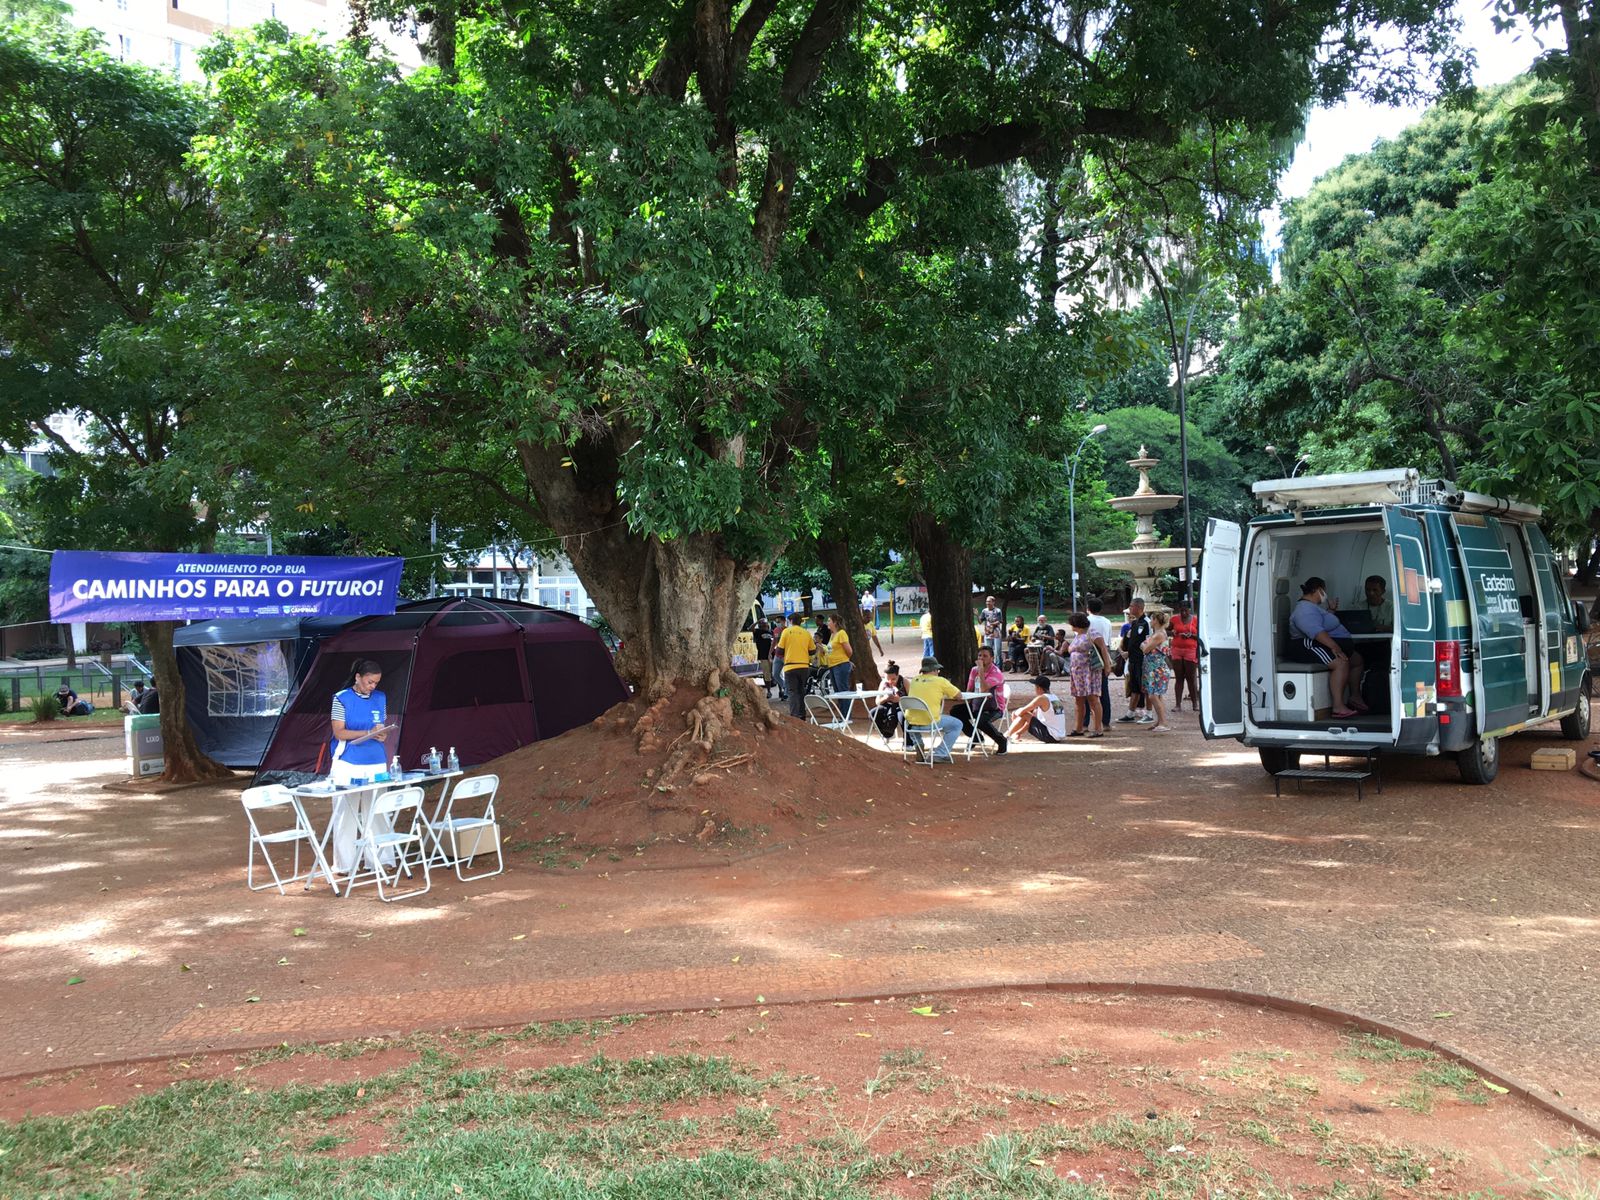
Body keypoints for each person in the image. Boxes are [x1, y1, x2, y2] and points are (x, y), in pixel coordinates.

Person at [1287, 576, 1368, 718]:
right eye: (1324, 590)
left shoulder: (1314, 608)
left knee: (1357, 660)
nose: (1325, 593)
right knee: (1341, 663)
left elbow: (1323, 624)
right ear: (1318, 590)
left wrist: (1330, 610)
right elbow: (1317, 632)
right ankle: (1338, 707)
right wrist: (1335, 647)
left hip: (1323, 642)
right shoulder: (1304, 609)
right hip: (1307, 645)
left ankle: (1355, 696)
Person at [328, 659, 391, 785]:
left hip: (377, 759)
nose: (373, 686)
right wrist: (368, 732)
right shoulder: (341, 698)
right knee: (347, 802)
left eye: (376, 683)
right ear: (358, 677)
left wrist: (383, 734)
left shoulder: (380, 697)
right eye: (370, 682)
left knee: (376, 803)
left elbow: (380, 726)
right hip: (349, 761)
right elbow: (339, 733)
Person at [905, 655, 964, 762]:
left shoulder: (914, 680)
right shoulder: (940, 681)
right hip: (929, 722)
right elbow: (959, 695)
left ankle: (918, 742)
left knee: (916, 716)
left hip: (911, 723)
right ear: (935, 669)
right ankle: (940, 753)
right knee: (957, 724)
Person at [962, 645, 1010, 754]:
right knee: (956, 711)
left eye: (985, 656)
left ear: (992, 658)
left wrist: (981, 670)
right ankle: (976, 736)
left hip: (994, 708)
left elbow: (983, 687)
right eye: (980, 656)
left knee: (981, 721)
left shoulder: (996, 673)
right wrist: (966, 700)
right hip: (977, 704)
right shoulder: (974, 670)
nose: (981, 658)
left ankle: (1001, 740)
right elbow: (970, 689)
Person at [1065, 613, 1107, 736]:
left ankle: (1098, 728)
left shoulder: (1093, 634)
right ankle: (1078, 728)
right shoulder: (1078, 635)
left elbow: (1103, 649)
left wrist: (1107, 666)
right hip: (1077, 672)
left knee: (1093, 699)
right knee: (1079, 700)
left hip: (1089, 671)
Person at [1118, 598, 1152, 724]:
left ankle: (1149, 713)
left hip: (1142, 660)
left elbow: (1150, 640)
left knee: (1145, 687)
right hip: (1132, 660)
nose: (1130, 609)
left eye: (1131, 606)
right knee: (1134, 687)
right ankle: (1130, 713)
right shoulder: (1135, 623)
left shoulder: (1147, 623)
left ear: (1139, 607)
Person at [776, 614, 815, 719]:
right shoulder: (806, 633)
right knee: (801, 691)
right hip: (804, 666)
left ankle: (794, 716)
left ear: (791, 621)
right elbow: (812, 650)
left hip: (790, 667)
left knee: (792, 692)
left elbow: (779, 650)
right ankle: (802, 715)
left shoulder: (786, 632)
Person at [1009, 675, 1067, 743]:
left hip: (1050, 735)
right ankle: (1016, 734)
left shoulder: (1042, 698)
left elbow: (1023, 711)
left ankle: (1006, 736)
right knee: (1030, 715)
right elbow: (1032, 719)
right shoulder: (1054, 697)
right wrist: (1019, 732)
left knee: (1025, 715)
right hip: (1058, 735)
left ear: (1039, 688)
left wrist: (1015, 714)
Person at [1141, 611, 1174, 731]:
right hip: (1154, 668)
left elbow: (1145, 649)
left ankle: (1163, 722)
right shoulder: (1157, 633)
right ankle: (1160, 721)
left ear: (1155, 620)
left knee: (1153, 695)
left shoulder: (1158, 634)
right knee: (1157, 695)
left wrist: (1144, 644)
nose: (1150, 621)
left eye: (1151, 619)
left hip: (1157, 669)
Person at [1167, 599, 1199, 713]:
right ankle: (1177, 704)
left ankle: (1195, 703)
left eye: (1185, 611)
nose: (1183, 613)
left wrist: (1191, 636)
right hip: (1177, 650)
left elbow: (1200, 635)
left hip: (1190, 649)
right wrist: (1172, 633)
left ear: (1189, 610)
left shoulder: (1195, 620)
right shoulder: (1174, 619)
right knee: (1179, 677)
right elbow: (1167, 631)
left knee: (1191, 678)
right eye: (1181, 611)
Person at [1086, 598, 1114, 723]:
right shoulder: (1107, 621)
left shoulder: (1086, 621)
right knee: (1103, 688)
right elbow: (1107, 642)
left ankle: (1086, 720)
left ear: (1088, 608)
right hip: (1104, 653)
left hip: (1090, 654)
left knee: (1087, 688)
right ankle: (1105, 720)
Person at [872, 661, 906, 740]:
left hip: (901, 705)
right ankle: (886, 733)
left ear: (898, 676)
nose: (890, 681)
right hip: (886, 704)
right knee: (873, 713)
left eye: (893, 679)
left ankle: (908, 742)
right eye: (888, 679)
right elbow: (877, 702)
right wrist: (885, 698)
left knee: (902, 716)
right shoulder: (883, 683)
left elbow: (911, 698)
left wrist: (899, 699)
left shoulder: (904, 682)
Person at [823, 616, 853, 696]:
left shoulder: (841, 633)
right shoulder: (832, 635)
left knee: (843, 691)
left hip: (840, 665)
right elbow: (830, 650)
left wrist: (843, 660)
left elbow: (849, 651)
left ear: (835, 622)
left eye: (829, 621)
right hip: (832, 665)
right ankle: (841, 708)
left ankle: (846, 708)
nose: (827, 623)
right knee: (837, 692)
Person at [753, 617, 775, 695]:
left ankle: (781, 691)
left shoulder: (771, 632)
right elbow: (751, 628)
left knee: (775, 673)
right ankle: (769, 691)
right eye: (763, 624)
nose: (765, 625)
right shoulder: (758, 632)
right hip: (763, 656)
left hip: (773, 655)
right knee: (767, 674)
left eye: (766, 624)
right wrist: (757, 622)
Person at [858, 588, 884, 653]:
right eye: (867, 618)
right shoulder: (859, 624)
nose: (869, 620)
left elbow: (874, 637)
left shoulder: (871, 624)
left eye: (870, 618)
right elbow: (863, 603)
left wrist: (880, 649)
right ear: (862, 616)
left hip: (866, 649)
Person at [979, 596, 1004, 660]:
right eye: (986, 601)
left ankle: (998, 668)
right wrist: (976, 615)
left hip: (996, 634)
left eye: (989, 601)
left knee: (997, 652)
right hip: (988, 634)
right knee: (988, 651)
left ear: (993, 602)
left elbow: (999, 621)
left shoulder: (998, 611)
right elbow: (980, 622)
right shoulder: (984, 611)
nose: (987, 603)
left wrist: (991, 624)